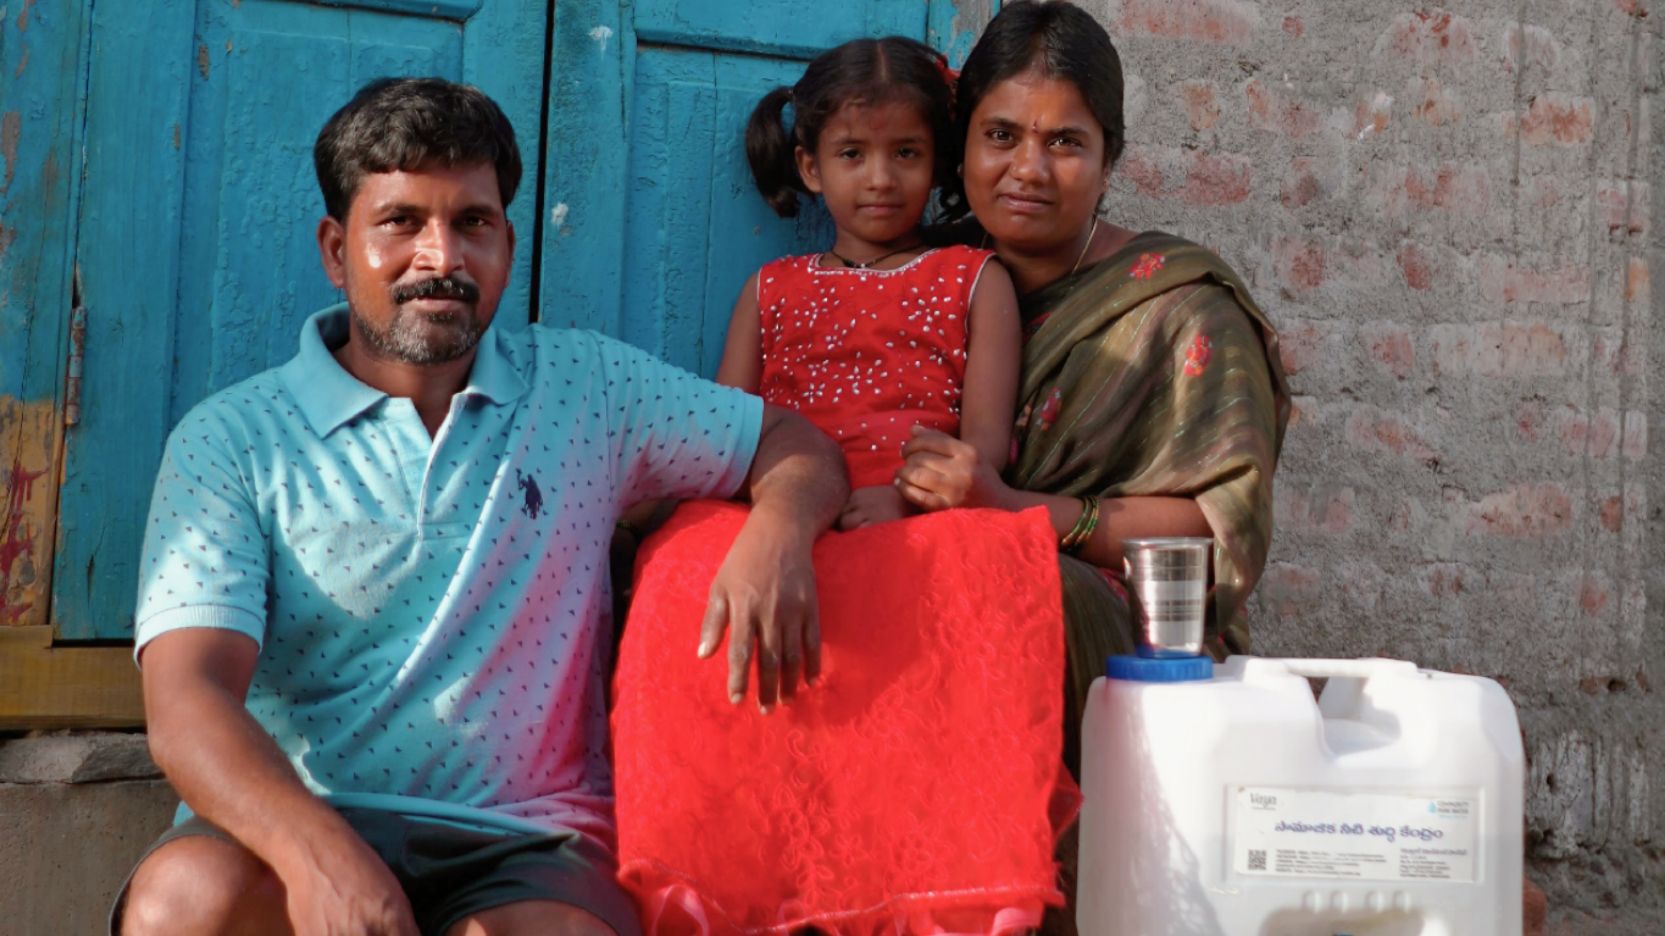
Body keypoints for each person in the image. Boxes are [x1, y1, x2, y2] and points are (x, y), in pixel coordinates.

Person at [114, 77, 847, 936]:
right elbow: (187, 699)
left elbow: (795, 444)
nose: (442, 258)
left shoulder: (590, 388)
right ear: (333, 247)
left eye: (473, 223)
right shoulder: (233, 438)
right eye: (400, 222)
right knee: (184, 904)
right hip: (300, 816)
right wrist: (317, 852)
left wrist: (780, 531)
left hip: (526, 842)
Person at [610, 37, 1074, 935]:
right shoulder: (773, 288)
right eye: (853, 155)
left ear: (937, 162)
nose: (881, 179)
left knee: (977, 568)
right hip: (779, 494)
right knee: (676, 574)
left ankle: (935, 880)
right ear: (808, 167)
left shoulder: (973, 280)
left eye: (906, 154)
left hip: (922, 502)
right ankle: (721, 863)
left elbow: (983, 450)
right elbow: (727, 430)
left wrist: (907, 496)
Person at [891, 1, 1291, 926]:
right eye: (999, 135)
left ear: (1110, 157)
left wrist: (1016, 511)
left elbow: (1214, 528)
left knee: (1017, 587)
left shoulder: (1180, 309)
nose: (1026, 169)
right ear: (961, 147)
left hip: (1116, 631)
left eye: (1063, 142)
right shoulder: (925, 284)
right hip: (929, 595)